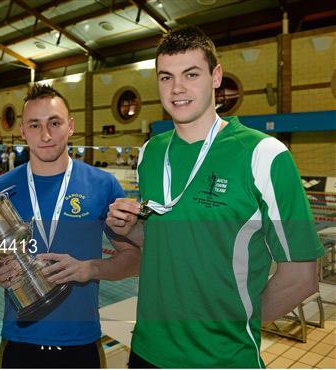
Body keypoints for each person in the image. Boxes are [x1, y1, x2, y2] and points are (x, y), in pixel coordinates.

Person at [106, 26, 323, 368]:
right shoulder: (151, 153)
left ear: (216, 76)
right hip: (147, 351)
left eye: (191, 74)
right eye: (166, 77)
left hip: (222, 358)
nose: (177, 88)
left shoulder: (263, 154)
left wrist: (235, 323)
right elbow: (162, 242)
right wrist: (128, 228)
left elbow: (302, 276)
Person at [0, 84, 140, 368]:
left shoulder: (102, 185)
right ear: (23, 131)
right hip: (19, 342)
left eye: (54, 122)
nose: (46, 135)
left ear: (71, 126)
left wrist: (90, 268)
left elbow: (134, 259)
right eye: (35, 125)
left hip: (81, 343)